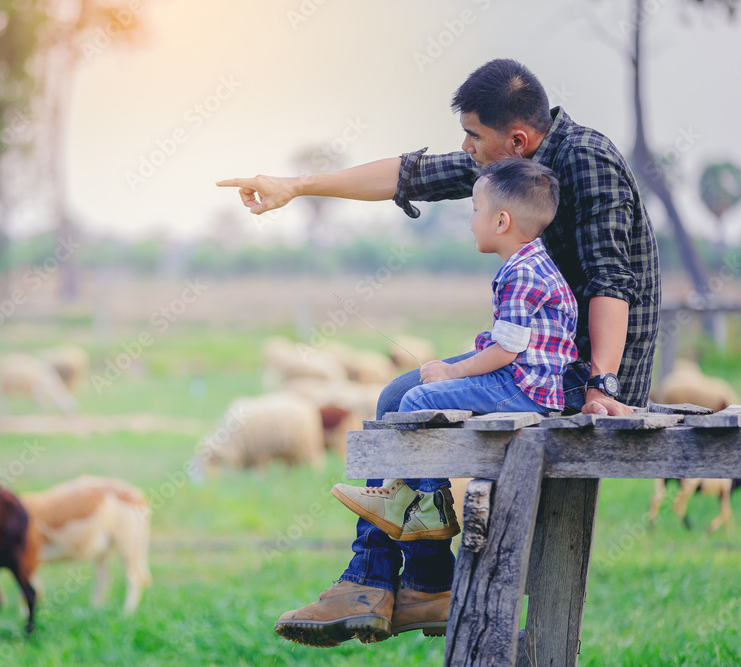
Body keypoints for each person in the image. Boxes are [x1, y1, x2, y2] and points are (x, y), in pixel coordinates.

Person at [217, 58, 660, 648]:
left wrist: (603, 385)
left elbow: (611, 280)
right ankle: (395, 582)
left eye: (474, 136)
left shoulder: (586, 159)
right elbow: (410, 174)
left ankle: (397, 581)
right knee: (398, 393)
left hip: (587, 371)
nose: (466, 149)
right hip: (538, 357)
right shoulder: (515, 166)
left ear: (517, 140)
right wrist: (295, 187)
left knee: (412, 396)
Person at [332, 158, 577, 552]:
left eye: (475, 210)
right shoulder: (535, 263)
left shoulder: (521, 274)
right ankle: (404, 496)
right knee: (420, 398)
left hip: (522, 387)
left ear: (501, 222)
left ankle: (431, 503)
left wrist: (453, 371)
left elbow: (507, 350)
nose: (470, 220)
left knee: (417, 398)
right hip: (530, 383)